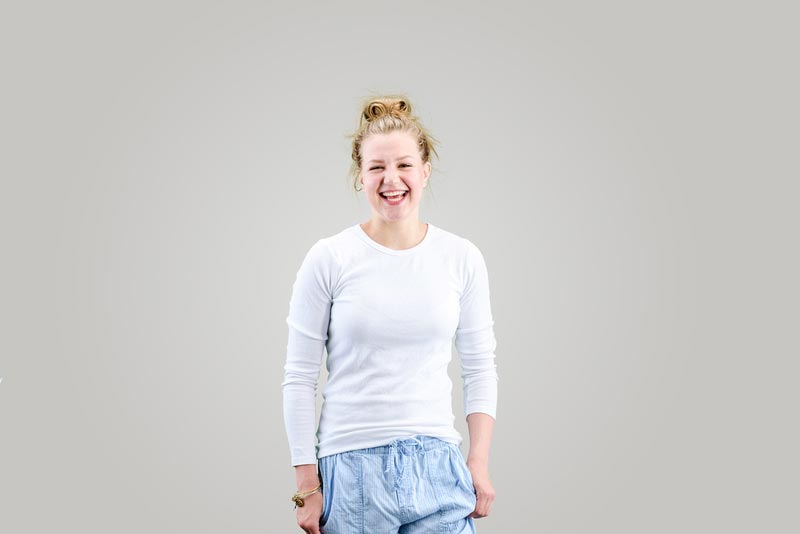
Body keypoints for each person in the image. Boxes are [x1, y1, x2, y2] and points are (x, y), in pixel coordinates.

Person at [282, 94, 499, 534]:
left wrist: (478, 462)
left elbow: (480, 368)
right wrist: (307, 485)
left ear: (425, 171)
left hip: (439, 466)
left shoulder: (461, 257)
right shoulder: (330, 258)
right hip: (353, 472)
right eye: (377, 167)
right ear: (360, 177)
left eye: (403, 165)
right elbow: (300, 377)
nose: (391, 179)